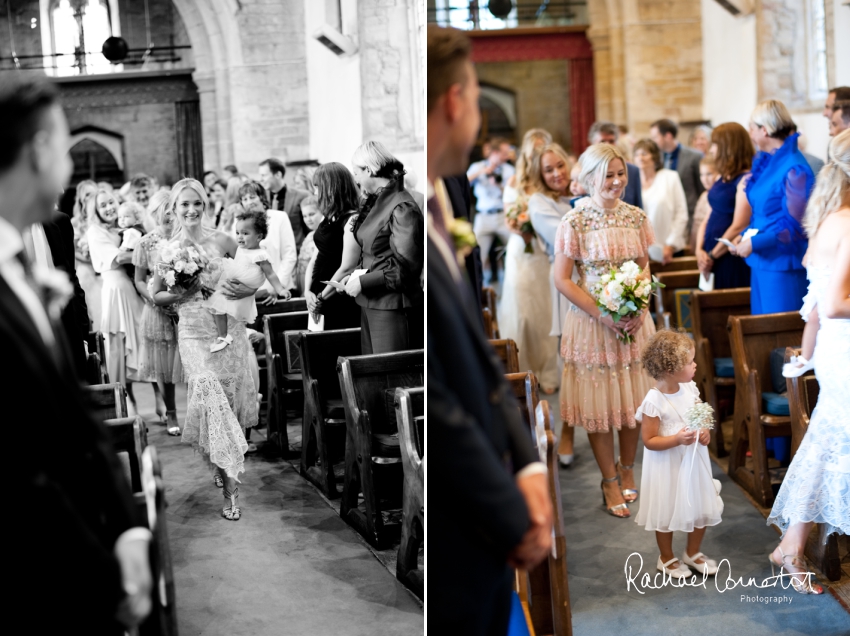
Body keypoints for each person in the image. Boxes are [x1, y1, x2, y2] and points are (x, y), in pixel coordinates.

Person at [3, 73, 152, 634]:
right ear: (40, 150)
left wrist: (129, 527)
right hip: (46, 569)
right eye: (63, 145)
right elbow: (23, 466)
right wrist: (104, 572)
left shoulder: (20, 265)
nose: (68, 168)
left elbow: (75, 413)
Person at [427, 25, 552, 634]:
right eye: (477, 97)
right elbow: (440, 397)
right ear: (456, 100)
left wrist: (528, 467)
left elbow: (480, 363)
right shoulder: (435, 212)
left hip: (487, 516)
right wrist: (513, 515)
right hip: (463, 529)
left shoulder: (440, 209)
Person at [765, 128, 850, 595]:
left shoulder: (828, 220)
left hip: (837, 351)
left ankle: (791, 547)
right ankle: (792, 547)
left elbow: (817, 308)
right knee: (833, 443)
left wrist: (812, 353)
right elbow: (836, 304)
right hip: (846, 346)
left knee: (826, 443)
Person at [554, 142, 657, 519]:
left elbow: (644, 268)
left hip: (634, 322)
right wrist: (604, 314)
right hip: (592, 323)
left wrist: (640, 308)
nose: (616, 182)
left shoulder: (635, 217)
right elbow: (563, 280)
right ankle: (609, 479)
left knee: (632, 403)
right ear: (589, 178)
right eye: (607, 175)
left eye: (620, 174)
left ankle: (628, 468)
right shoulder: (575, 221)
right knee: (602, 404)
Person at [151, 178, 257, 520]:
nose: (191, 209)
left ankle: (220, 460)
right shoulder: (166, 249)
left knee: (228, 402)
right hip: (193, 330)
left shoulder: (224, 240)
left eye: (197, 203)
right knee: (209, 391)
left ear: (205, 205)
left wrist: (223, 286)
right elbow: (157, 294)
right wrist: (184, 290)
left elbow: (250, 280)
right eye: (184, 204)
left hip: (227, 330)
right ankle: (231, 490)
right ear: (174, 209)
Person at [635, 330, 723, 579]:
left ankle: (692, 552)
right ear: (670, 369)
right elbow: (649, 440)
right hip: (668, 465)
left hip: (693, 461)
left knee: (700, 505)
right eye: (689, 362)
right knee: (667, 509)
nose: (695, 365)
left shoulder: (690, 387)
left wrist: (704, 430)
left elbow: (700, 415)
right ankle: (666, 558)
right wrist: (675, 439)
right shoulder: (654, 400)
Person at [732, 100, 814, 314]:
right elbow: (763, 213)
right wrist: (744, 236)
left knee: (781, 341)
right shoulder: (769, 161)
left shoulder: (795, 168)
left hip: (783, 266)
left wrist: (755, 242)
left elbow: (796, 226)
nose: (749, 133)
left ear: (765, 130)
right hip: (761, 261)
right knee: (761, 334)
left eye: (752, 127)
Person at [526, 142, 578, 467]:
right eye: (549, 169)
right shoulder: (539, 202)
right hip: (565, 280)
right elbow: (565, 238)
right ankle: (568, 431)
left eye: (561, 165)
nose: (557, 173)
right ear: (539, 174)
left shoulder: (579, 191)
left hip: (598, 279)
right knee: (570, 359)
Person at [344, 141, 424, 354]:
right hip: (370, 301)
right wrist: (355, 276)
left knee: (393, 379)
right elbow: (373, 251)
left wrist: (363, 281)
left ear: (369, 170)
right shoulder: (377, 201)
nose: (356, 179)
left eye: (357, 173)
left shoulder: (402, 207)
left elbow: (408, 270)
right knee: (372, 377)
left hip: (393, 306)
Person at [500, 135, 562, 395]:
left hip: (542, 252)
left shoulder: (547, 184)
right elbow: (508, 219)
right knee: (523, 314)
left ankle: (548, 371)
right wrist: (519, 228)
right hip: (521, 252)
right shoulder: (515, 182)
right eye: (534, 149)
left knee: (545, 314)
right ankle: (521, 370)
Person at [86, 188, 143, 413]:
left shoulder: (123, 227)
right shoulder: (95, 232)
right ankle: (123, 403)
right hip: (113, 290)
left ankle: (159, 401)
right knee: (117, 348)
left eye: (111, 202)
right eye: (103, 205)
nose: (109, 207)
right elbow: (118, 258)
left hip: (130, 288)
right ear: (96, 211)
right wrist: (150, 252)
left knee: (142, 342)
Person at [205, 209, 291, 352]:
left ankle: (225, 336)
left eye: (245, 233)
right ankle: (223, 336)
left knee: (218, 304)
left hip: (244, 289)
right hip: (235, 283)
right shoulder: (240, 250)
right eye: (238, 233)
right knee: (217, 307)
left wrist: (280, 289)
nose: (240, 237)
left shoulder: (260, 254)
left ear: (259, 236)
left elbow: (270, 274)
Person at [133, 190, 183, 434]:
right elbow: (140, 280)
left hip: (184, 304)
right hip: (157, 309)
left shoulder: (184, 240)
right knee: (165, 366)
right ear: (152, 214)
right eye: (160, 212)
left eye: (170, 211)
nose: (166, 217)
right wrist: (154, 298)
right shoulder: (145, 243)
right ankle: (171, 413)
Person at [695, 123, 753, 289]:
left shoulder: (745, 178)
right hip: (710, 254)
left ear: (729, 147)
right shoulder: (723, 176)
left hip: (727, 256)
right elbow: (709, 216)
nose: (712, 150)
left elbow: (739, 225)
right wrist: (700, 250)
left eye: (715, 144)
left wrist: (712, 255)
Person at [305, 162, 363, 330]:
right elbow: (315, 257)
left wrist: (322, 297)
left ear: (331, 187)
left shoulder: (352, 219)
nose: (315, 192)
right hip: (317, 295)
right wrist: (308, 292)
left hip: (335, 296)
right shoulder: (328, 217)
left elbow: (347, 267)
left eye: (317, 187)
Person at [467, 138, 514, 286]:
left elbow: (513, 193)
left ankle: (511, 282)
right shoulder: (477, 166)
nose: (507, 156)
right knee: (475, 254)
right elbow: (464, 182)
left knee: (515, 248)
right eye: (504, 153)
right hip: (484, 217)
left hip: (503, 215)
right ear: (495, 152)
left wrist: (499, 184)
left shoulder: (509, 170)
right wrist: (482, 172)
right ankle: (477, 287)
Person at [239, 180, 297, 300]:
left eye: (252, 197)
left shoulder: (279, 217)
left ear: (262, 198)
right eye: (245, 199)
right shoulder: (240, 223)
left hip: (280, 288)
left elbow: (289, 255)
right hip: (251, 293)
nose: (249, 202)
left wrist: (277, 288)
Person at [633, 138, 688, 264]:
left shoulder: (669, 177)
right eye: (636, 154)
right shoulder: (631, 183)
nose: (640, 157)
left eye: (644, 153)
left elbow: (681, 213)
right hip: (640, 253)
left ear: (655, 157)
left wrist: (670, 244)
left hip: (668, 249)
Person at [650, 119, 705, 238]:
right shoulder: (656, 159)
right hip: (665, 220)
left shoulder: (694, 156)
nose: (653, 142)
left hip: (689, 217)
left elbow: (702, 189)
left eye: (655, 137)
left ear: (668, 136)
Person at [258, 157, 311, 251]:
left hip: (296, 252)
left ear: (278, 174)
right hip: (269, 255)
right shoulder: (260, 198)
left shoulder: (302, 195)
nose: (261, 179)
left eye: (264, 175)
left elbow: (309, 228)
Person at [587, 121, 643, 208]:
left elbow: (638, 205)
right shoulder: (585, 171)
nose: (607, 145)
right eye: (602, 141)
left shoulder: (632, 171)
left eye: (611, 141)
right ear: (592, 143)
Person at [295, 194, 322, 295]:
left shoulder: (323, 236)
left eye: (311, 214)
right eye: (304, 216)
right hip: (303, 283)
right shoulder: (310, 235)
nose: (308, 219)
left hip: (315, 285)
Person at [689, 156, 717, 253]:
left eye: (709, 174)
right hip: (699, 245)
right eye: (702, 175)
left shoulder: (719, 197)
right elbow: (696, 224)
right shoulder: (703, 196)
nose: (704, 179)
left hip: (712, 244)